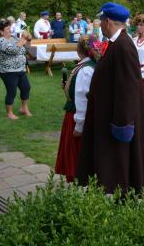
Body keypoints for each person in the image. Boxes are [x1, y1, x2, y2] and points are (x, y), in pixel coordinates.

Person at [77, 2, 144, 194]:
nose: (100, 25)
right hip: (108, 114)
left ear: (108, 21)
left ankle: (122, 200)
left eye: (101, 21)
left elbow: (128, 88)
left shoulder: (123, 46)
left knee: (121, 165)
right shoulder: (115, 44)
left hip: (118, 119)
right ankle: (115, 194)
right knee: (114, 166)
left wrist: (123, 124)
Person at [55, 36, 96, 183]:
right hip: (79, 114)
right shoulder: (87, 65)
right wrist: (68, 86)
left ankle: (82, 178)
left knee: (77, 151)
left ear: (79, 50)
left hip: (77, 117)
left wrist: (79, 125)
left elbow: (82, 99)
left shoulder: (86, 70)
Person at [0, 19, 32, 120]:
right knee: (12, 91)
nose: (10, 30)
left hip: (20, 69)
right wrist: (22, 38)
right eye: (7, 29)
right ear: (2, 32)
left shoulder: (14, 38)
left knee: (26, 87)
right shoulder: (1, 41)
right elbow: (14, 50)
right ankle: (9, 113)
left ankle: (24, 108)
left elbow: (25, 49)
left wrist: (28, 39)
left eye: (9, 28)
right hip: (8, 72)